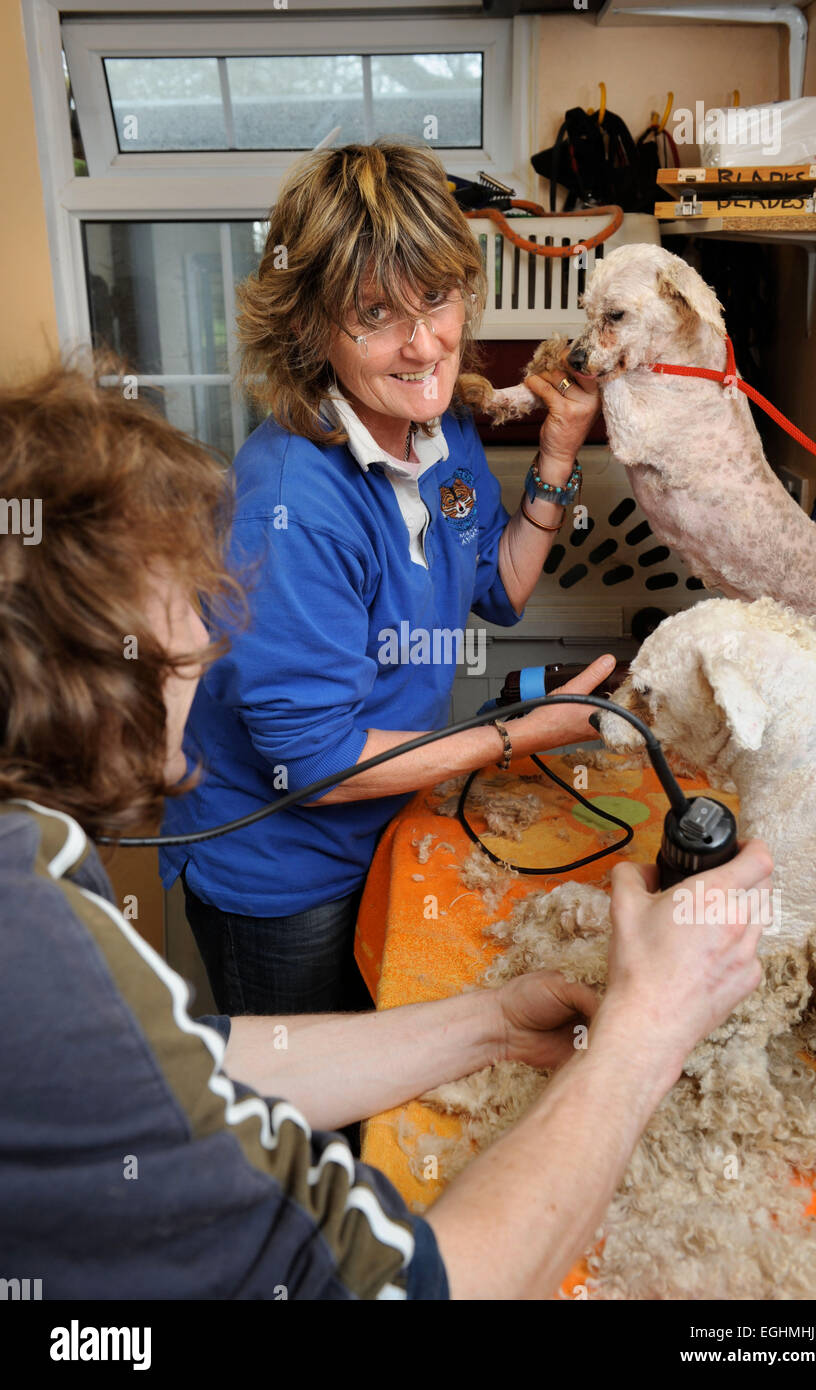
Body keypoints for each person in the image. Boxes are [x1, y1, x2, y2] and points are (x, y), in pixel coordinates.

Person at [0, 360, 771, 1300]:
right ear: (84, 655)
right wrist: (646, 1031)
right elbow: (403, 1289)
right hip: (289, 870)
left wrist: (489, 1023)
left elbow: (193, 1063)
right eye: (184, 599)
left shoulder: (35, 863)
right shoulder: (26, 942)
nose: (210, 638)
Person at [159, 139, 615, 1016]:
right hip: (285, 870)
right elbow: (315, 761)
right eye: (374, 314)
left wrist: (559, 450)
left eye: (438, 299)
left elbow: (500, 588)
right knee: (308, 1116)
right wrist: (522, 734)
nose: (424, 344)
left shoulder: (443, 435)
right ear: (307, 325)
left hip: (390, 819)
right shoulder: (290, 508)